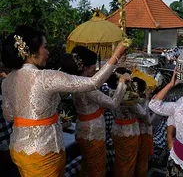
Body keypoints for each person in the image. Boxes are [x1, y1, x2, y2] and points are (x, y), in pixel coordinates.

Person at [1, 25, 128, 176]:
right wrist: (117, 55)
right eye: (45, 47)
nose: (48, 52)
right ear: (31, 52)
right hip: (44, 150)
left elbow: (8, 115)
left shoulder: (7, 81)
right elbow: (93, 83)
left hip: (19, 148)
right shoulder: (45, 77)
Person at [59, 46, 130, 177]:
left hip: (82, 129)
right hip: (93, 133)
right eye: (93, 66)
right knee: (96, 170)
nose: (95, 69)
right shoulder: (88, 87)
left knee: (87, 166)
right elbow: (113, 104)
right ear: (85, 68)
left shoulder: (74, 81)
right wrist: (122, 82)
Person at [109, 68, 150, 177]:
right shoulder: (128, 97)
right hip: (129, 132)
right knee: (128, 163)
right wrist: (147, 100)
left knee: (119, 160)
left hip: (116, 128)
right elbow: (143, 114)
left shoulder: (111, 93)